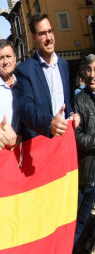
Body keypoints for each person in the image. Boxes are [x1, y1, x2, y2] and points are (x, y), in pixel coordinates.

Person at [14, 12, 75, 140]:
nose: (48, 38)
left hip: (66, 138)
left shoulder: (64, 65)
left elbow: (67, 101)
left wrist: (73, 114)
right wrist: (49, 123)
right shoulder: (24, 70)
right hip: (42, 139)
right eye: (42, 34)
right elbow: (25, 107)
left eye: (50, 31)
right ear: (34, 38)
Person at [73, 54, 95, 249]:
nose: (92, 75)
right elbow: (78, 139)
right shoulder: (79, 100)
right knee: (78, 222)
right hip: (87, 175)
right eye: (89, 70)